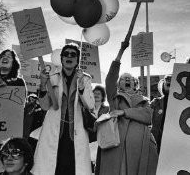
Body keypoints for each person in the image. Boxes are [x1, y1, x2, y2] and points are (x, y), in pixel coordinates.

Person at [32, 43, 95, 175]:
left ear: (77, 60)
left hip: (76, 134)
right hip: (54, 131)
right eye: (66, 54)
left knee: (73, 168)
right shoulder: (51, 77)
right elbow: (44, 106)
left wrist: (81, 86)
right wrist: (43, 84)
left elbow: (90, 105)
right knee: (54, 168)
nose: (69, 56)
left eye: (73, 55)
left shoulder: (85, 78)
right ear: (61, 58)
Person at [98, 41, 158, 175]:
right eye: (124, 78)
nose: (127, 80)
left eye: (130, 79)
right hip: (117, 147)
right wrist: (121, 51)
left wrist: (124, 112)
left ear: (135, 83)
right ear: (118, 84)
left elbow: (148, 116)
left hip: (140, 148)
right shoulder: (115, 98)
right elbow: (110, 79)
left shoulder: (144, 101)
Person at [150, 74, 172, 154]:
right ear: (163, 86)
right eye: (168, 83)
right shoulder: (156, 103)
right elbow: (145, 116)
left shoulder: (185, 103)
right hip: (159, 142)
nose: (170, 85)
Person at [92, 85, 109, 175]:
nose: (96, 95)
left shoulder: (107, 109)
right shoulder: (87, 108)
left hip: (102, 139)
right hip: (90, 139)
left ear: (103, 96)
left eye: (99, 93)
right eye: (94, 93)